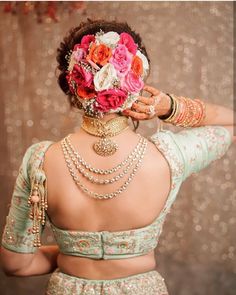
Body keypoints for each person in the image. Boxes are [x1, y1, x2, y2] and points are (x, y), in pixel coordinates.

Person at [0, 18, 235, 295]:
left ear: (72, 85)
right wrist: (170, 107)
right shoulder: (170, 156)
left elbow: (17, 264)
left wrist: (72, 252)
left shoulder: (40, 161)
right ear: (137, 82)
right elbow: (230, 124)